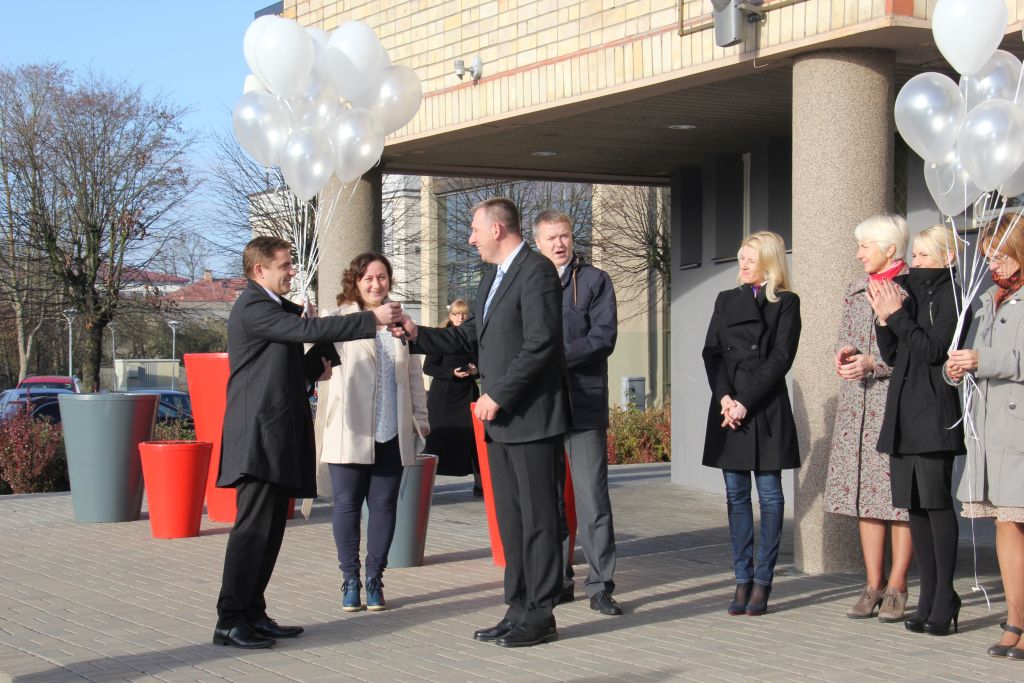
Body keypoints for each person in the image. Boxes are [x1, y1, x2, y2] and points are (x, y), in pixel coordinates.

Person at [213, 236, 404, 649]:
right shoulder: (253, 306)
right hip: (258, 439)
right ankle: (230, 619)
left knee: (269, 534)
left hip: (275, 438)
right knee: (251, 533)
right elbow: (304, 330)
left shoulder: (272, 308)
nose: (292, 271)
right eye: (285, 265)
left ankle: (253, 613)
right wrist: (370, 319)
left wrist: (312, 366)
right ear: (260, 270)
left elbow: (280, 366)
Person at [401, 197, 570, 648]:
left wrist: (498, 394)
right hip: (501, 422)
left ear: (497, 229)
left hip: (531, 418)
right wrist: (418, 335)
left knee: (539, 519)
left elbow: (541, 343)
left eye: (475, 230)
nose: (471, 238)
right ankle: (518, 608)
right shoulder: (492, 277)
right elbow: (468, 335)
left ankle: (542, 614)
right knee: (512, 520)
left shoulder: (536, 271)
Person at [867, 224, 968, 636]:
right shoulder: (908, 291)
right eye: (915, 255)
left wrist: (897, 315)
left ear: (948, 257)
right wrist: (883, 320)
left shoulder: (953, 295)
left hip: (934, 410)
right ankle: (928, 597)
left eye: (925, 255)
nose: (916, 262)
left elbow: (933, 351)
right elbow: (894, 353)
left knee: (936, 504)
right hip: (904, 411)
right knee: (915, 508)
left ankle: (945, 596)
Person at [319, 253, 429, 613]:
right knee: (347, 505)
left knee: (383, 506)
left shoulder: (401, 323)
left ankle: (375, 578)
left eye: (382, 277)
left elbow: (414, 376)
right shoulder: (338, 319)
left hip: (390, 431)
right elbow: (314, 358)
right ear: (355, 281)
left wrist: (420, 418)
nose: (376, 284)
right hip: (349, 430)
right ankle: (350, 579)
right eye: (368, 278)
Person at [702, 231, 802, 617]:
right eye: (740, 258)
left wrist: (745, 401)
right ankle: (741, 578)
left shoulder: (787, 302)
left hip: (765, 406)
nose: (742, 265)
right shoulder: (725, 300)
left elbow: (781, 358)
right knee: (736, 496)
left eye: (750, 259)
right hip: (730, 408)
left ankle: (763, 581)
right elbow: (713, 353)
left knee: (770, 495)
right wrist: (725, 398)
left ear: (769, 262)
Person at [825, 215, 913, 622]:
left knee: (898, 500)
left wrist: (873, 364)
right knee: (866, 496)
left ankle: (897, 586)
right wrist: (845, 354)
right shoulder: (855, 289)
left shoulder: (910, 289)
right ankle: (872, 584)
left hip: (894, 406)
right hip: (856, 407)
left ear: (889, 249)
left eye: (865, 245)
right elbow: (847, 336)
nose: (859, 253)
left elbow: (915, 351)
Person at [534, 210, 621, 617]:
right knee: (549, 500)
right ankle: (558, 581)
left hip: (584, 404)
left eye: (565, 236)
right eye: (551, 238)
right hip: (541, 406)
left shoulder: (595, 280)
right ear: (537, 243)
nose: (559, 244)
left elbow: (603, 337)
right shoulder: (529, 281)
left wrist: (555, 359)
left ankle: (601, 586)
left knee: (592, 501)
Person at [946, 215, 1024, 658]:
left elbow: (1009, 358)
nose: (992, 264)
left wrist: (981, 360)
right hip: (991, 428)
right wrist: (957, 369)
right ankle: (1016, 619)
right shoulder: (989, 300)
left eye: (1000, 255)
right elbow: (976, 357)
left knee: (1019, 522)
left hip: (1019, 427)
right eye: (988, 256)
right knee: (1005, 524)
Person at [422, 298, 481, 494]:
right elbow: (429, 367)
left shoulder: (475, 338)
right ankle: (428, 484)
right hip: (443, 397)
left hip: (467, 395)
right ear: (450, 316)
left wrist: (475, 371)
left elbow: (483, 366)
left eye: (464, 314)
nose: (460, 317)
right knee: (437, 440)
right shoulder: (441, 337)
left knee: (472, 439)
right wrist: (451, 373)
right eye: (456, 314)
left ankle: (480, 483)